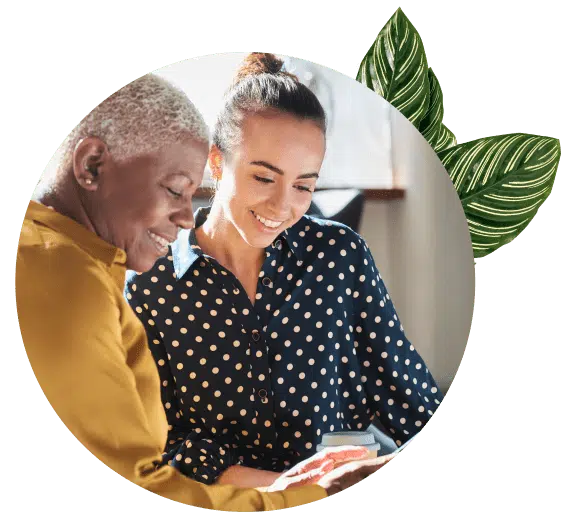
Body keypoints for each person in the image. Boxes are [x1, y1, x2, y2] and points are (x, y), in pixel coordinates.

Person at [14, 72, 385, 512]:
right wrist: (306, 492)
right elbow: (138, 479)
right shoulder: (69, 282)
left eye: (304, 184)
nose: (187, 218)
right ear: (92, 166)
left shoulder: (87, 268)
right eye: (174, 190)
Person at [125, 53, 444, 489]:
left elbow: (411, 400)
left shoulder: (340, 256)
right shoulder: (150, 285)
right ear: (216, 162)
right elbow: (162, 440)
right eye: (263, 177)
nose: (283, 207)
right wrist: (282, 488)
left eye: (303, 186)